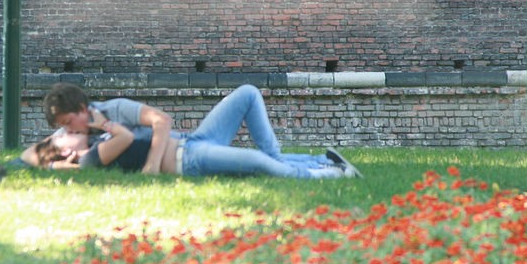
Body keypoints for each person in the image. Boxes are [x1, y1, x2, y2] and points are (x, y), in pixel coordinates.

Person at [22, 83, 362, 179]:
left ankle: (293, 164)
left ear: (83, 111)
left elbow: (162, 121)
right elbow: (35, 153)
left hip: (195, 142)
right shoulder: (85, 147)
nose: (67, 131)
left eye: (68, 123)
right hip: (191, 158)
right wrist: (49, 162)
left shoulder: (114, 111)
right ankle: (330, 173)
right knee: (256, 161)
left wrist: (152, 165)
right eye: (64, 129)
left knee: (247, 93)